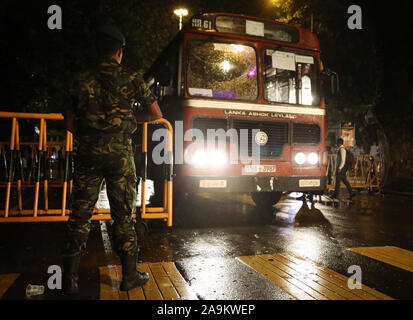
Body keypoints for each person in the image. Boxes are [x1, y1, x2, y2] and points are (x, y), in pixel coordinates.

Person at [62, 25, 162, 294]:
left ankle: (69, 279)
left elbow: (70, 122)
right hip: (119, 156)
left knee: (80, 214)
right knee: (123, 216)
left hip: (88, 156)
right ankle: (129, 275)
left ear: (97, 50)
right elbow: (155, 113)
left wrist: (93, 128)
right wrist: (126, 120)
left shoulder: (79, 79)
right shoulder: (131, 77)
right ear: (119, 51)